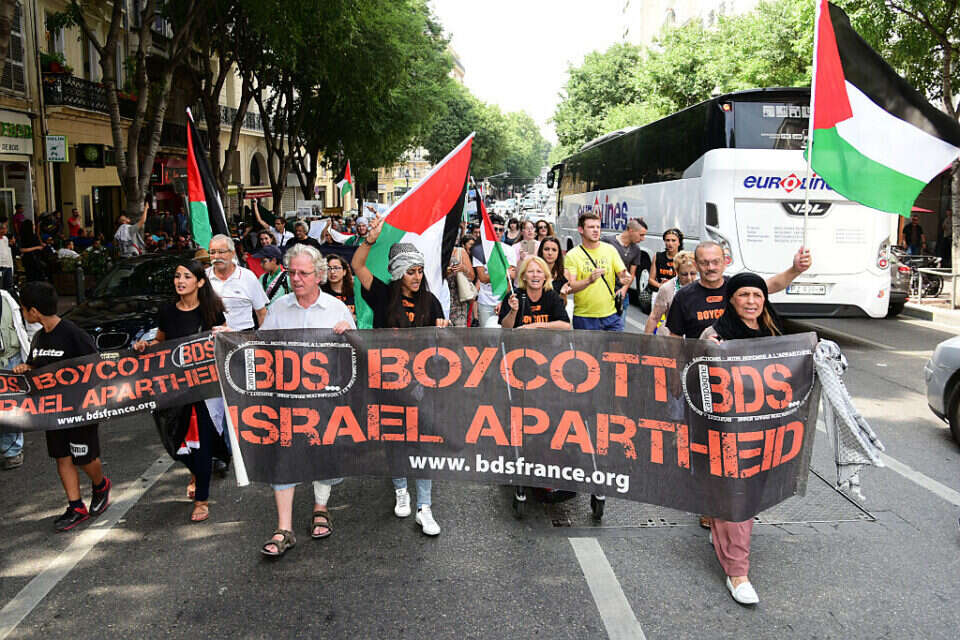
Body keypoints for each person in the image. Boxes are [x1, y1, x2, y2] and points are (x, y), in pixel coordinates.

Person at [353, 220, 449, 536]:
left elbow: (441, 346)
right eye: (410, 271)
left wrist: (443, 330)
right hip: (388, 384)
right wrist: (369, 241)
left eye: (420, 271)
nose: (417, 277)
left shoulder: (431, 301)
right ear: (397, 273)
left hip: (421, 386)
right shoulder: (382, 295)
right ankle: (400, 490)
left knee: (423, 444)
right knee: (394, 441)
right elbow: (357, 266)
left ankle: (425, 507)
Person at [260, 244, 356, 557]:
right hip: (286, 400)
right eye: (292, 273)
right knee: (283, 457)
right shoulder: (278, 308)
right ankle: (283, 529)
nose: (296, 279)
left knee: (324, 453)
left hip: (324, 400)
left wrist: (349, 333)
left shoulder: (335, 309)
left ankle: (320, 508)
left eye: (303, 273)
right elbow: (259, 346)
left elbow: (356, 354)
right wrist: (228, 336)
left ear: (319, 275)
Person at [699, 272, 784, 605]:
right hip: (725, 431)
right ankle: (737, 572)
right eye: (744, 295)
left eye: (757, 295)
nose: (751, 301)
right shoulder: (715, 334)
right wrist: (711, 355)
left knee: (740, 496)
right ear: (731, 300)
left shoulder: (774, 333)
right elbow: (697, 379)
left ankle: (721, 530)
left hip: (764, 429)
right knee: (737, 496)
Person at [132, 261, 228, 522]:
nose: (180, 281)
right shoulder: (167, 311)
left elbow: (223, 340)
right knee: (175, 442)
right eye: (177, 276)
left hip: (205, 390)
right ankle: (196, 471)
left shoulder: (212, 310)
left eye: (187, 276)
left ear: (200, 282)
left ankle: (202, 500)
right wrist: (146, 346)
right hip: (174, 389)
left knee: (203, 443)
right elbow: (160, 341)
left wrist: (225, 334)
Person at [13, 282, 111, 531]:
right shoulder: (39, 338)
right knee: (62, 457)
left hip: (80, 410)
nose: (23, 313)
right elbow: (36, 367)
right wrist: (27, 368)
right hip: (53, 412)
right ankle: (75, 506)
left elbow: (97, 367)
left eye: (23, 309)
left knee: (84, 458)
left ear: (34, 311)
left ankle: (101, 485)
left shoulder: (73, 334)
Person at [665, 241, 811, 339]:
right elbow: (675, 339)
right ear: (696, 265)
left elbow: (772, 284)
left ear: (725, 262)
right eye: (704, 263)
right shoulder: (684, 296)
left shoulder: (738, 286)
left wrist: (795, 269)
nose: (711, 267)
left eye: (716, 262)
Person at [564, 211, 632, 332]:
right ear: (581, 229)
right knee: (587, 346)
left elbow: (622, 272)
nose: (596, 230)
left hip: (611, 316)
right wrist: (589, 280)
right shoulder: (572, 255)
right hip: (585, 317)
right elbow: (569, 287)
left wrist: (625, 277)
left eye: (598, 227)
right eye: (591, 227)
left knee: (617, 345)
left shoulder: (610, 249)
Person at [206, 234, 269, 331]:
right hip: (212, 337)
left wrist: (263, 338)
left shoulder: (248, 277)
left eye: (221, 252)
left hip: (243, 335)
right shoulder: (204, 277)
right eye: (212, 252)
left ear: (232, 253)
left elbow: (262, 313)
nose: (216, 256)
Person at [0, 286, 29, 470]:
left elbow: (26, 326)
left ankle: (12, 451)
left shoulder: (7, 297)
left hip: (11, 359)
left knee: (10, 406)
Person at [472, 215, 518, 327]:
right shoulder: (478, 250)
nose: (497, 232)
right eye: (494, 229)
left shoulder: (509, 250)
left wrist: (503, 300)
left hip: (504, 299)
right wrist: (504, 272)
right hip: (485, 301)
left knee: (505, 332)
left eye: (500, 230)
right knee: (486, 333)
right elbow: (482, 278)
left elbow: (511, 276)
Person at [498, 256, 569, 329]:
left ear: (545, 277)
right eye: (530, 271)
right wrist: (513, 311)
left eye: (539, 271)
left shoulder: (552, 296)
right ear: (523, 276)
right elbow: (505, 328)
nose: (535, 275)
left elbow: (566, 325)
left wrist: (534, 326)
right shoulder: (513, 296)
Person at [602, 218, 647, 321]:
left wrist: (623, 290)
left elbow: (631, 274)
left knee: (619, 326)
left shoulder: (636, 249)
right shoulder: (607, 241)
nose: (643, 239)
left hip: (621, 293)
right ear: (631, 230)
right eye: (641, 235)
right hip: (604, 292)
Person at [644, 250, 697, 335]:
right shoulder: (667, 288)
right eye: (684, 274)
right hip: (670, 336)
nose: (689, 278)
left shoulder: (702, 286)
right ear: (677, 272)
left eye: (693, 273)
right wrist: (645, 340)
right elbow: (654, 317)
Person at [443, 237, 475, 327]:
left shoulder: (460, 252)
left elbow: (472, 276)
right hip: (442, 299)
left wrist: (463, 268)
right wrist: (444, 272)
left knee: (459, 332)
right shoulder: (436, 253)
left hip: (458, 300)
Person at [0, 220, 14, 290]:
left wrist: (11, 266)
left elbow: (8, 253)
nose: (6, 230)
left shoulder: (5, 239)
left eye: (6, 228)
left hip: (8, 266)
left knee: (9, 287)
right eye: (4, 228)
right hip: (1, 266)